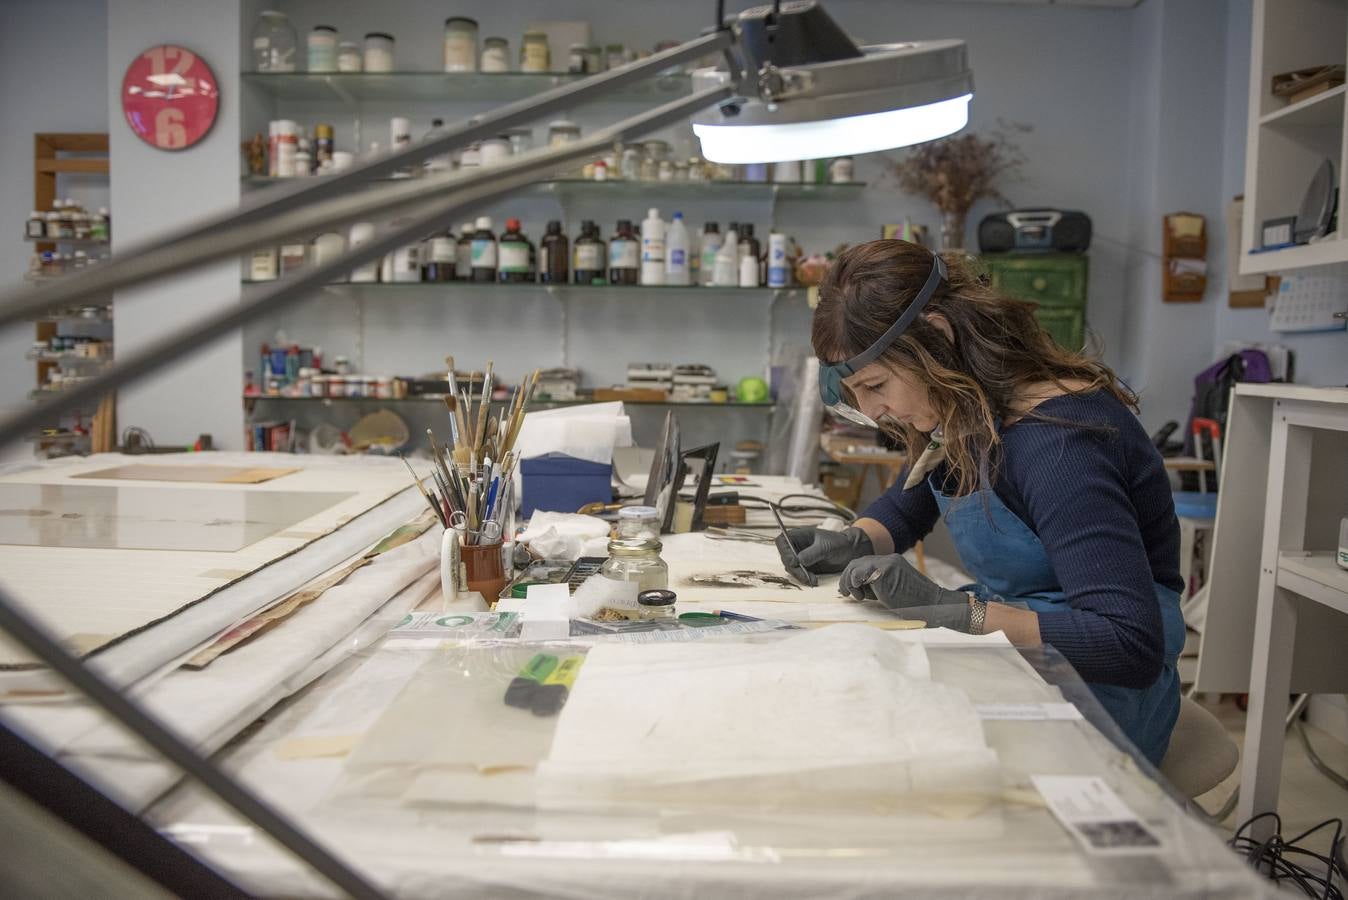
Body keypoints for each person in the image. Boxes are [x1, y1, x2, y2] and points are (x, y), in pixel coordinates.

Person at [778, 240, 1185, 765]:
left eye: (875, 385)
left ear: (938, 337)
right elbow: (909, 505)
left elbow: (1126, 644)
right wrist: (855, 539)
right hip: (1023, 656)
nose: (873, 410)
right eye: (857, 393)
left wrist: (965, 615)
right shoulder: (967, 409)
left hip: (1101, 697)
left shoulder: (1058, 442)